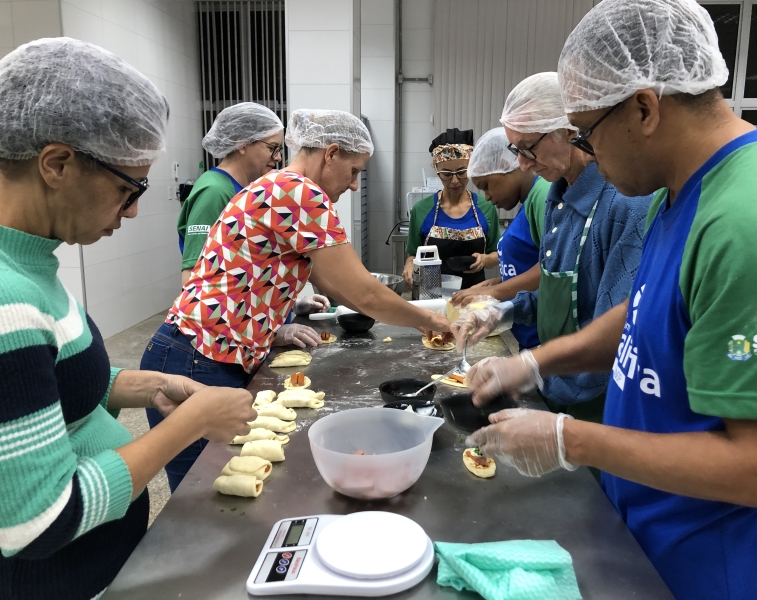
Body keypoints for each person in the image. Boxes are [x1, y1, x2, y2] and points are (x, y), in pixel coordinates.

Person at [462, 1, 757, 598]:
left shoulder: (749, 222)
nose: (587, 155)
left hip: (714, 567)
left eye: (588, 132)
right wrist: (537, 361)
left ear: (644, 107)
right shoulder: (685, 193)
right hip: (647, 540)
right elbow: (648, 310)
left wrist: (572, 439)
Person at [0, 38, 255, 600]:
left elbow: (43, 388)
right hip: (58, 581)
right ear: (57, 163)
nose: (135, 209)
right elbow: (38, 521)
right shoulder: (7, 297)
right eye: (127, 188)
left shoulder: (31, 262)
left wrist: (143, 385)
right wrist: (193, 424)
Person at [142, 109, 452, 491]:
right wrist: (431, 320)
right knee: (203, 493)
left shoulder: (277, 186)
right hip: (197, 358)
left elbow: (331, 282)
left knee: (213, 488)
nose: (355, 185)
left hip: (199, 352)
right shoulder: (300, 192)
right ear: (331, 153)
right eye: (354, 171)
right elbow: (361, 292)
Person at [454, 72, 652, 422]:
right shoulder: (558, 198)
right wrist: (504, 310)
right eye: (516, 150)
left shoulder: (624, 204)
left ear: (571, 130)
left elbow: (616, 332)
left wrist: (534, 372)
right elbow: (562, 297)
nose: (523, 163)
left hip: (600, 406)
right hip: (559, 388)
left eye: (529, 147)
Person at [452, 127, 550, 349]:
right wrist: (497, 283)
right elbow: (531, 262)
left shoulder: (543, 194)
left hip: (543, 342)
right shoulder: (528, 202)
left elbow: (551, 268)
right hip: (528, 339)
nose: (487, 196)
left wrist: (492, 292)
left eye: (486, 186)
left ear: (507, 165)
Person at [179, 102, 284, 286]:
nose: (277, 157)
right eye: (272, 148)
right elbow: (194, 272)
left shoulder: (243, 189)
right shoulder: (215, 191)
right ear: (242, 144)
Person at [403, 128, 500, 290]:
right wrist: (409, 266)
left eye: (462, 172)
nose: (455, 181)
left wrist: (485, 260)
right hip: (431, 295)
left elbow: (497, 254)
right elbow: (413, 254)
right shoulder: (421, 209)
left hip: (474, 295)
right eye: (446, 174)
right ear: (437, 171)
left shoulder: (486, 207)